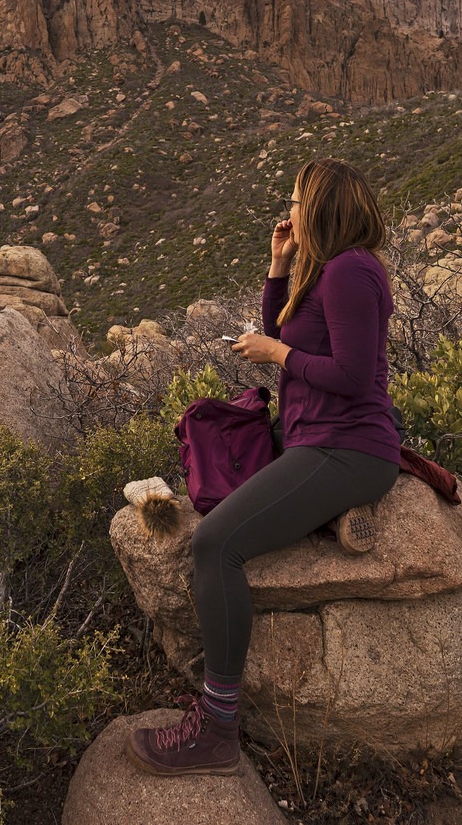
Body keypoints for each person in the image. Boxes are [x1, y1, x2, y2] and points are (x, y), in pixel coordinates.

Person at [127, 157, 402, 777]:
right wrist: (278, 268)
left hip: (345, 447)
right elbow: (287, 331)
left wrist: (278, 351)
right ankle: (333, 514)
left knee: (216, 544)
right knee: (218, 479)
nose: (290, 210)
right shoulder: (326, 271)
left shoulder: (352, 271)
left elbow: (354, 377)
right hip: (315, 440)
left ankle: (216, 730)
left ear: (325, 208)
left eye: (299, 201)